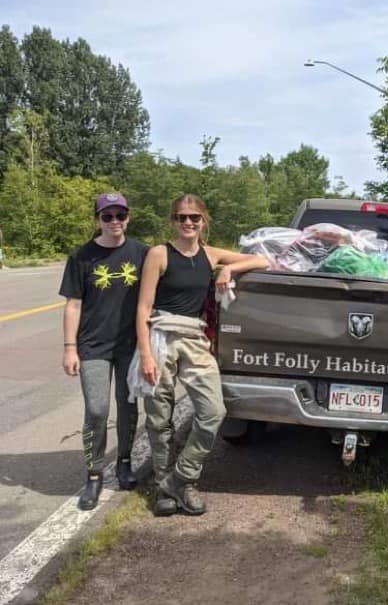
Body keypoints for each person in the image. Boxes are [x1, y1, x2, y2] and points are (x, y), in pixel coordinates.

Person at [136, 194, 268, 517]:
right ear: (173, 221)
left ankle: (182, 478)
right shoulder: (159, 254)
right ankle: (162, 485)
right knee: (158, 418)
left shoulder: (209, 255)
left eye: (194, 217)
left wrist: (229, 270)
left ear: (204, 221)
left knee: (213, 411)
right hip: (161, 337)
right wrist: (146, 356)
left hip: (195, 338)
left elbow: (263, 261)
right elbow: (143, 308)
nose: (188, 223)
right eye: (182, 217)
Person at [60, 193, 149, 510]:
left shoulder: (143, 253)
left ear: (128, 217)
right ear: (97, 219)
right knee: (96, 410)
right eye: (107, 216)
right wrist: (70, 348)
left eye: (120, 215)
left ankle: (124, 462)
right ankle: (94, 473)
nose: (115, 221)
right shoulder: (81, 257)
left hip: (130, 347)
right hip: (93, 346)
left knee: (128, 408)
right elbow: (73, 304)